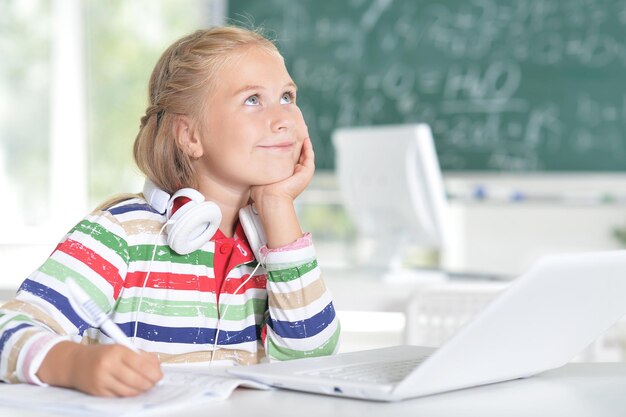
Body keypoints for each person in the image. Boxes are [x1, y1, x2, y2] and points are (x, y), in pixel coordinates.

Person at [0, 26, 340, 397]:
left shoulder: (272, 242)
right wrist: (75, 365)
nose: (283, 118)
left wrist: (277, 204)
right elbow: (9, 328)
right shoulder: (123, 234)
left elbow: (313, 359)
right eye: (253, 100)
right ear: (190, 136)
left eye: (287, 97)